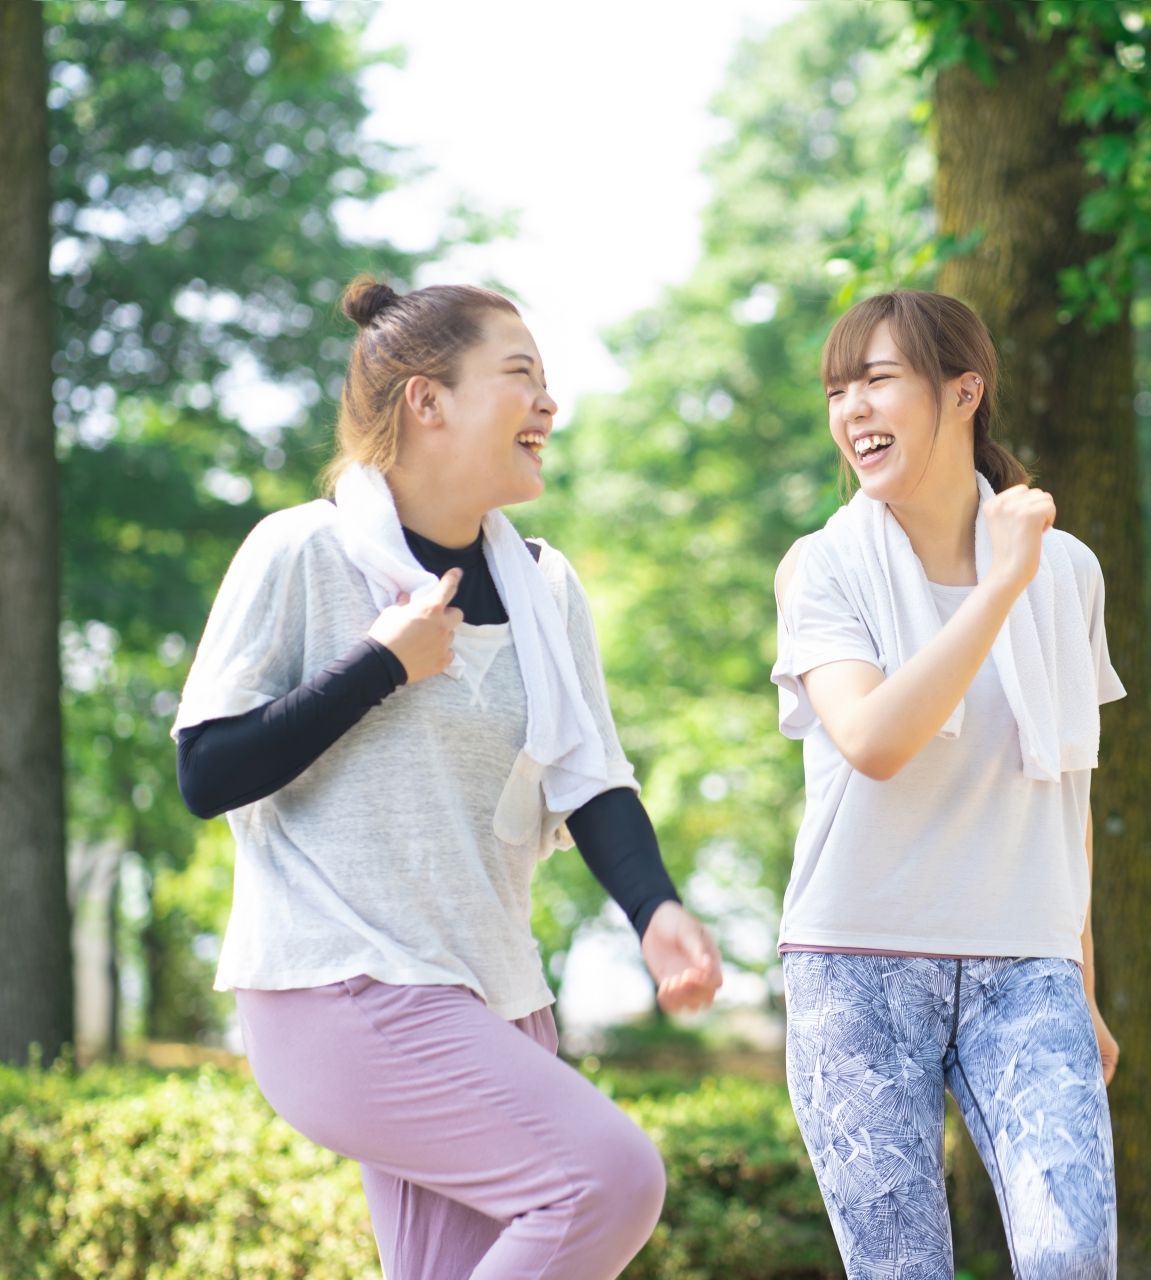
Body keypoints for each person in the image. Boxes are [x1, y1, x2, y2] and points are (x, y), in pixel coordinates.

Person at [172, 277, 722, 1280]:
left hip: (490, 993)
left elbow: (590, 776)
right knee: (605, 1178)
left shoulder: (546, 587)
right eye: (522, 377)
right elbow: (208, 769)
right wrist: (380, 663)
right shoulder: (304, 552)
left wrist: (656, 909)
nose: (550, 405)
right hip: (343, 981)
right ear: (427, 402)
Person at [770, 289, 1124, 1279]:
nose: (851, 411)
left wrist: (1080, 984)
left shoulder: (1072, 573)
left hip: (1027, 963)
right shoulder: (821, 568)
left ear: (964, 390)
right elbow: (875, 738)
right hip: (856, 962)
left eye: (876, 379)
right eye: (838, 389)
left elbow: (1069, 796)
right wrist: (999, 583)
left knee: (1075, 1258)